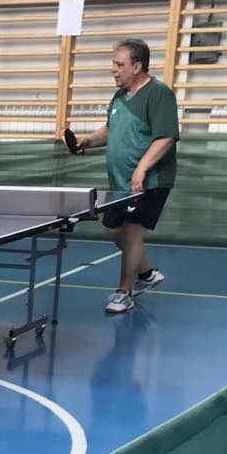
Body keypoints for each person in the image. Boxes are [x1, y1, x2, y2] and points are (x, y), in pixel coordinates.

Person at [71, 38, 179, 315]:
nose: (114, 69)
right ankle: (146, 274)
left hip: (149, 182)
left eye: (119, 64)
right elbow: (111, 129)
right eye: (114, 64)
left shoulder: (159, 94)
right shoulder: (120, 96)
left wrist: (142, 168)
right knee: (112, 229)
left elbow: (166, 137)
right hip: (120, 182)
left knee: (131, 233)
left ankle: (123, 292)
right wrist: (88, 141)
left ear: (137, 67)